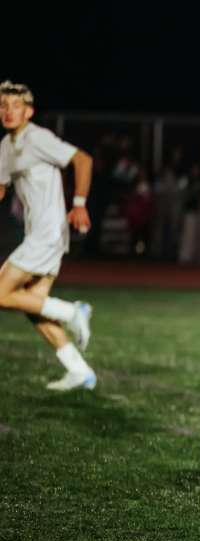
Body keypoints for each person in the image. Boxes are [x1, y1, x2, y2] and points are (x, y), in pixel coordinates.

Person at [0, 81, 96, 391]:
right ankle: (79, 370)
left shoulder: (38, 138)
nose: (8, 111)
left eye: (16, 106)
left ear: (29, 112)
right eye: (3, 105)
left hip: (48, 231)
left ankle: (73, 311)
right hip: (40, 233)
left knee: (1, 293)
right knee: (33, 304)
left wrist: (79, 204)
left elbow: (83, 160)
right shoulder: (5, 146)